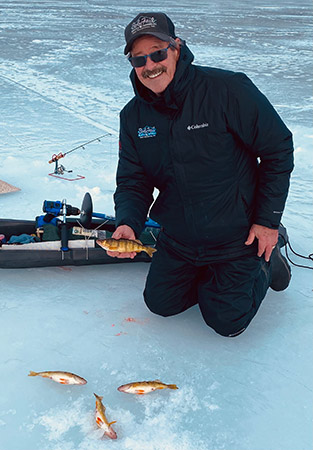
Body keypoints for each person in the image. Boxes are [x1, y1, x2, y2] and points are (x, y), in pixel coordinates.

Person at [107, 12, 294, 337]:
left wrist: (267, 221)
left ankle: (265, 261)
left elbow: (278, 148)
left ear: (176, 47)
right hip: (180, 237)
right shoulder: (134, 116)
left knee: (226, 321)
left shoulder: (227, 90)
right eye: (139, 59)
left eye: (157, 53)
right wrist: (127, 222)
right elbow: (133, 180)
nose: (150, 65)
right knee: (160, 303)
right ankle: (212, 276)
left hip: (237, 235)